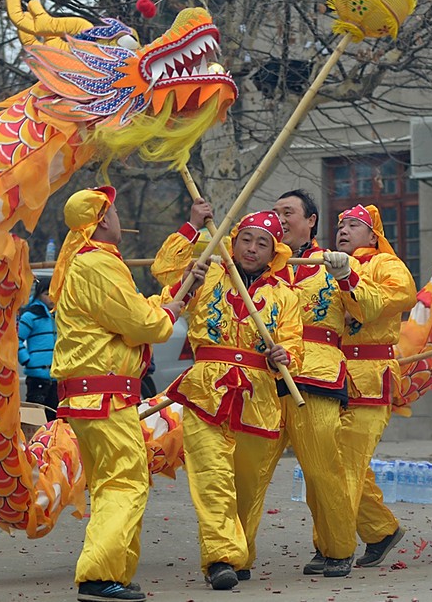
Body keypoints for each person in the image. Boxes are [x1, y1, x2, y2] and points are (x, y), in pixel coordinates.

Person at [50, 186, 204, 602]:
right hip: (103, 397)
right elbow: (144, 325)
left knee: (111, 485)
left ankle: (112, 571)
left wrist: (178, 296)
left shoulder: (88, 264)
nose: (119, 218)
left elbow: (136, 313)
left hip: (94, 396)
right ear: (102, 219)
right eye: (114, 211)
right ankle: (98, 576)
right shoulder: (98, 263)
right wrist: (173, 309)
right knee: (126, 483)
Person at [151, 200, 302, 590]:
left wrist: (285, 355)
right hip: (205, 389)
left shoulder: (285, 295)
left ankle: (240, 551)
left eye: (262, 244)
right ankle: (220, 559)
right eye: (246, 240)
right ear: (232, 243)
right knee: (212, 477)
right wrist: (191, 228)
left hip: (258, 397)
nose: (252, 248)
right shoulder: (208, 274)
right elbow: (163, 271)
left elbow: (293, 345)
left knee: (248, 485)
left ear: (274, 253)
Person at [266, 189, 378, 578]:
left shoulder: (330, 263)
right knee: (246, 472)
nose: (280, 219)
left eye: (288, 212)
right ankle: (230, 557)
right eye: (275, 212)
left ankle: (337, 548)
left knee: (320, 469)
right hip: (264, 377)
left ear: (311, 221)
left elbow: (368, 310)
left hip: (315, 373)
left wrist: (346, 276)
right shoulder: (259, 267)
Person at [333, 205, 415, 567]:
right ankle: (380, 530)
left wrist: (352, 281)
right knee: (338, 460)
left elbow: (401, 296)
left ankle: (334, 547)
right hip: (334, 372)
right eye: (341, 225)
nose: (344, 230)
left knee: (348, 463)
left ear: (372, 235)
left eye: (354, 225)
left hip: (369, 373)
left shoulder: (386, 264)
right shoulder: (330, 264)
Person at [18, 275, 59, 421]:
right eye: (47, 294)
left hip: (56, 376)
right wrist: (27, 360)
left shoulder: (57, 315)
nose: (50, 298)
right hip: (37, 376)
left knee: (55, 417)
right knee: (35, 417)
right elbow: (16, 339)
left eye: (53, 293)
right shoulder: (31, 316)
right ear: (39, 294)